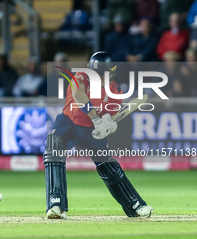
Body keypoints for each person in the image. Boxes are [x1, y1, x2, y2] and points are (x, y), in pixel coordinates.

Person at [43, 51, 153, 219]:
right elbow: (78, 95)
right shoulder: (80, 77)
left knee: (109, 167)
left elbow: (112, 116)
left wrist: (108, 125)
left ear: (111, 73)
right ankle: (56, 205)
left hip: (91, 131)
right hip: (69, 123)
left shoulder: (115, 92)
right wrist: (96, 118)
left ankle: (136, 206)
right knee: (53, 149)